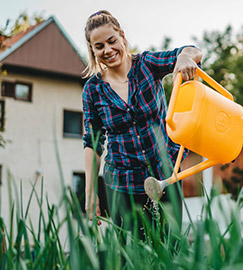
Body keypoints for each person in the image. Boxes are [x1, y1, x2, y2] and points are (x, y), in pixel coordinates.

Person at [82, 10, 202, 236]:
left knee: (170, 251)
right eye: (99, 46)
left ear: (122, 37)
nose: (107, 50)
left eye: (111, 41)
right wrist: (90, 191)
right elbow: (92, 142)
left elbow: (192, 51)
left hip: (165, 175)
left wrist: (185, 57)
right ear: (93, 50)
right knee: (132, 256)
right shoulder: (93, 90)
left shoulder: (147, 64)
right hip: (121, 185)